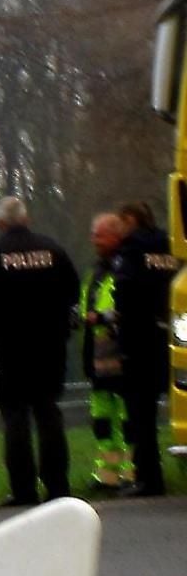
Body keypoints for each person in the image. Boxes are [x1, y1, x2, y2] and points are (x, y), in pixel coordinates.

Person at [0, 196, 80, 506]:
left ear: (0, 224)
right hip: (50, 346)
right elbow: (74, 294)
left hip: (12, 348)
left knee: (15, 416)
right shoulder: (54, 250)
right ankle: (58, 487)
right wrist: (64, 332)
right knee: (48, 413)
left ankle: (23, 489)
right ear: (27, 220)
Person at [112, 201, 179, 497]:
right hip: (173, 335)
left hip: (139, 341)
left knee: (142, 415)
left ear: (130, 219)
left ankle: (150, 478)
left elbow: (124, 292)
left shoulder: (130, 250)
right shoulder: (169, 245)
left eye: (120, 222)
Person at [79, 213, 133, 490]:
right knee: (101, 420)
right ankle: (107, 475)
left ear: (115, 236)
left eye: (99, 235)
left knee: (126, 418)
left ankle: (130, 473)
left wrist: (100, 318)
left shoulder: (123, 268)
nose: (94, 241)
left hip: (119, 357)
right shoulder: (96, 271)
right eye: (93, 235)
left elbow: (126, 308)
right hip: (97, 359)